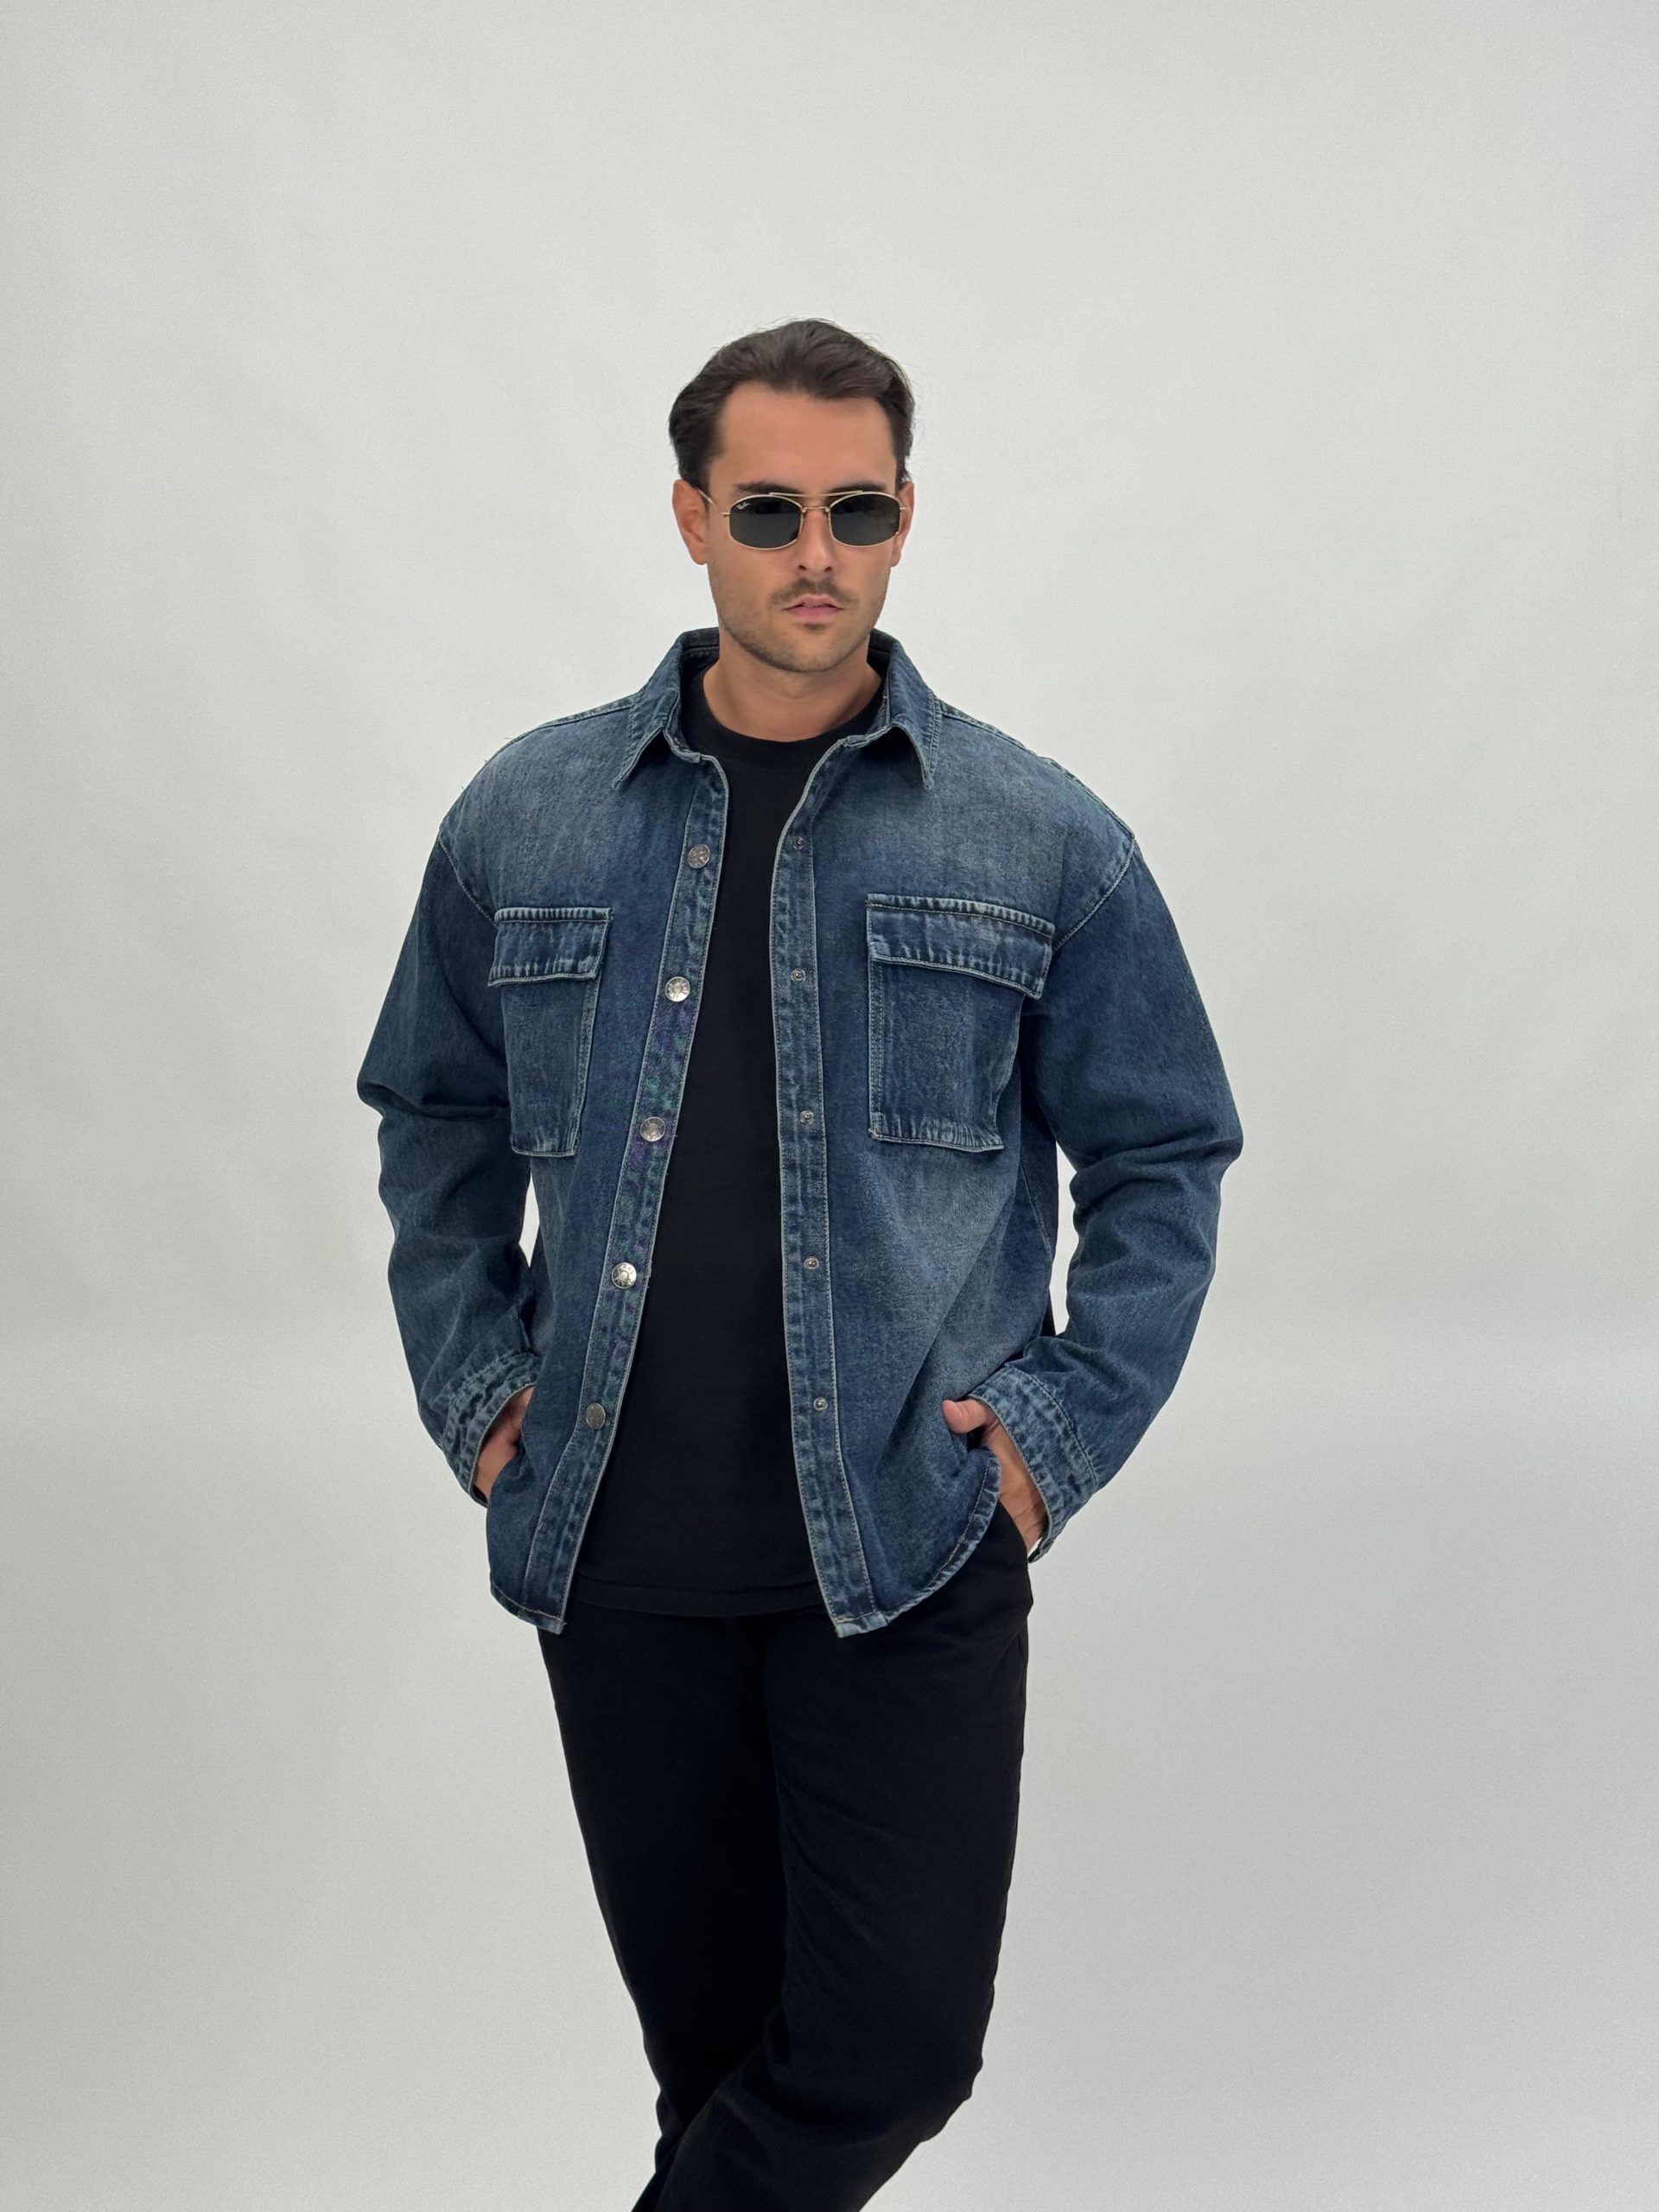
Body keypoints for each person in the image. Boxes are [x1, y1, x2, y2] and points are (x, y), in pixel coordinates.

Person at [356, 316, 1243, 2210]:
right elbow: (431, 1112)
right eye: (769, 510)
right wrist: (484, 1393)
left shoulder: (1038, 834)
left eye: (858, 510)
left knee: (892, 2048)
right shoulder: (527, 813)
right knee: (720, 2076)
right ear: (694, 519)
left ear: (907, 517)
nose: (815, 553)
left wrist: (1047, 1444)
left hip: (906, 1540)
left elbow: (1165, 1150)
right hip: (617, 1546)